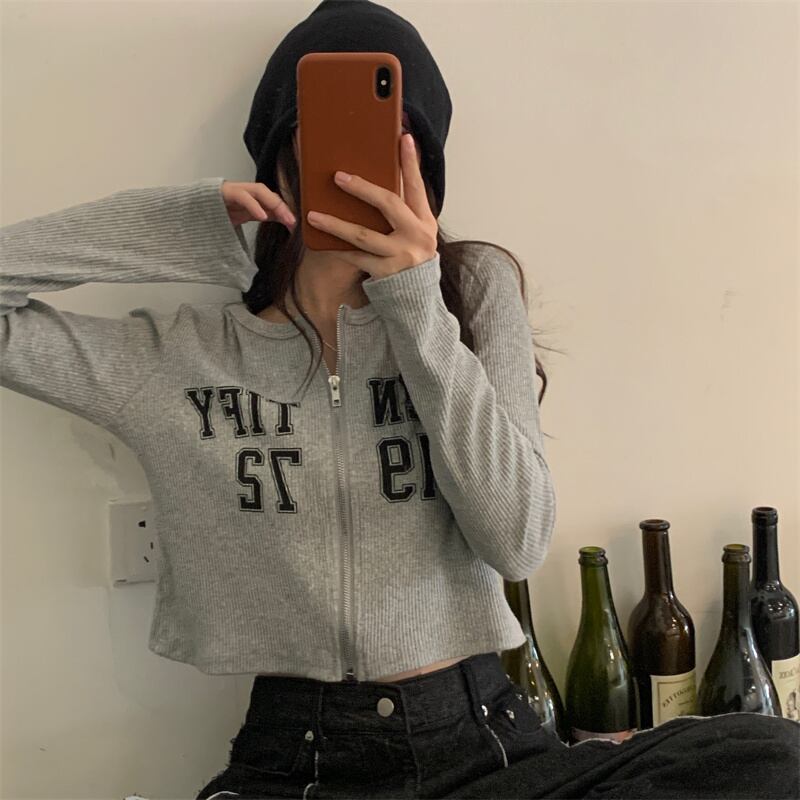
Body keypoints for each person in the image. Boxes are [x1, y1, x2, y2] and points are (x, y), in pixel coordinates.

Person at [1, 1, 797, 799]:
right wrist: (182, 223)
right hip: (295, 765)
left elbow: (518, 542)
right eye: (328, 129)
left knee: (769, 758)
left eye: (395, 136)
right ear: (280, 154)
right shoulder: (182, 357)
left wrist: (416, 305)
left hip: (486, 747)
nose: (362, 161)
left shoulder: (473, 297)